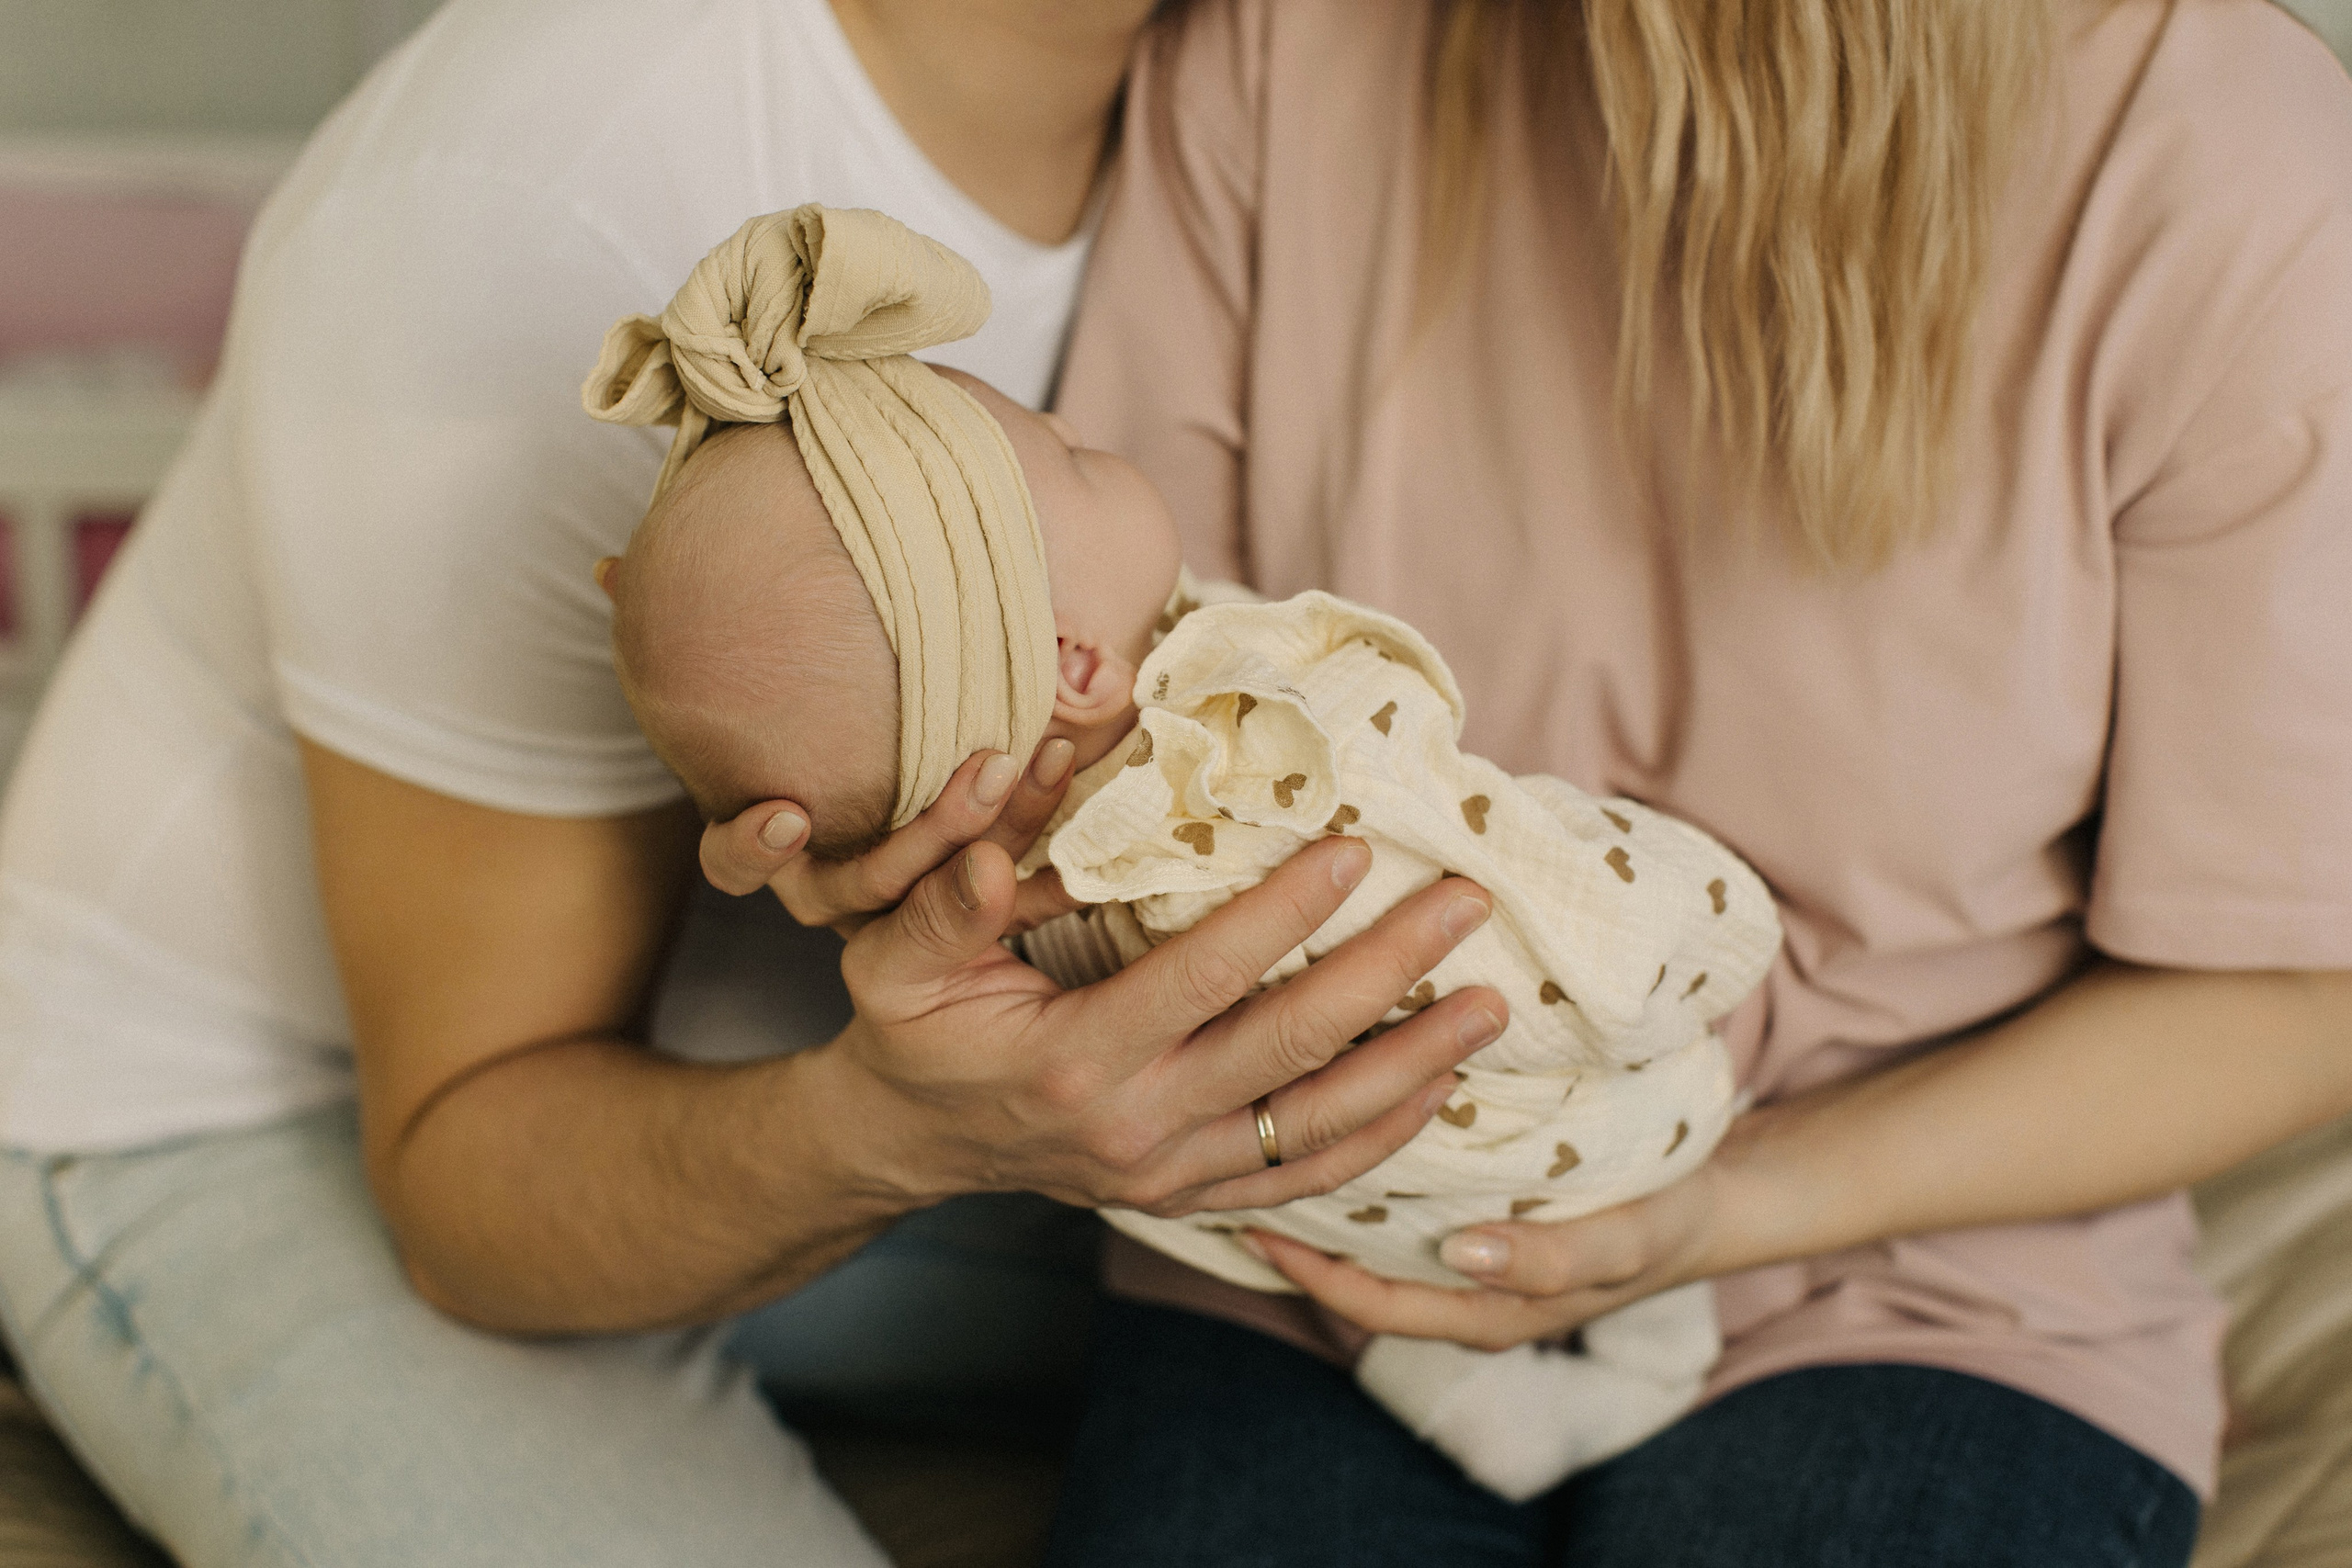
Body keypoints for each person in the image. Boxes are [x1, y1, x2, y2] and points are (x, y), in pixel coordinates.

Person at [0, 3, 1508, 1564]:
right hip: (253, 1122)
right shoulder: (532, 192)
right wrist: (907, 1129)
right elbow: (464, 1182)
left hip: (828, 1043)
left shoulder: (1293, 90)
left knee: (1466, 1296)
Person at [944, 0, 2346, 1562]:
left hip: (1926, 1285)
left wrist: (1728, 1206)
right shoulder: (1287, 46)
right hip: (1311, 1236)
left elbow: (2291, 990)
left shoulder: (2235, 165)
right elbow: (1114, 721)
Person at [585, 200, 1780, 1498]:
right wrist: (1688, 921)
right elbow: (1451, 850)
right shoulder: (1246, 753)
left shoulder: (983, 908)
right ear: (1080, 665)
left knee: (1331, 1214)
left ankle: (1468, 1377)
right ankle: (1643, 1342)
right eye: (1074, 449)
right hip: (1571, 1116)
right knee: (1587, 1009)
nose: (1097, 443)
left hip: (1364, 1226)